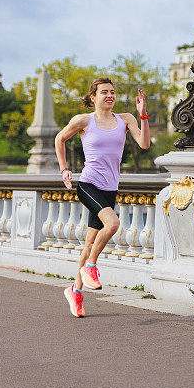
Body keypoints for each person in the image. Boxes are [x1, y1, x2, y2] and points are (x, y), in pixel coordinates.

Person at [54, 77, 151, 317]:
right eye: (104, 92)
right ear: (93, 97)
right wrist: (64, 169)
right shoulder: (83, 121)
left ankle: (75, 291)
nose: (109, 95)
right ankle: (91, 267)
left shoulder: (124, 119)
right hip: (89, 184)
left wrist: (143, 116)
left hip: (110, 188)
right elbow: (60, 139)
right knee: (114, 223)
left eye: (112, 92)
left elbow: (145, 144)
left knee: (89, 244)